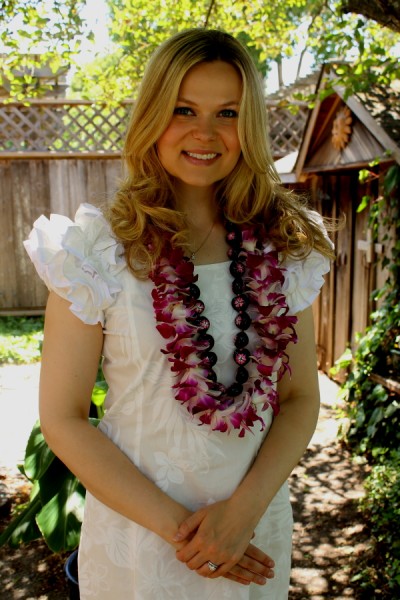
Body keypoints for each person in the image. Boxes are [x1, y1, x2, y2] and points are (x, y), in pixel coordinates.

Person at [24, 28, 334, 599]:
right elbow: (64, 419)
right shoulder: (95, 252)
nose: (205, 132)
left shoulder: (284, 248)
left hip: (252, 531)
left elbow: (298, 399)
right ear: (152, 115)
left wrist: (239, 517)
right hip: (139, 541)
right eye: (184, 108)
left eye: (228, 113)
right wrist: (187, 533)